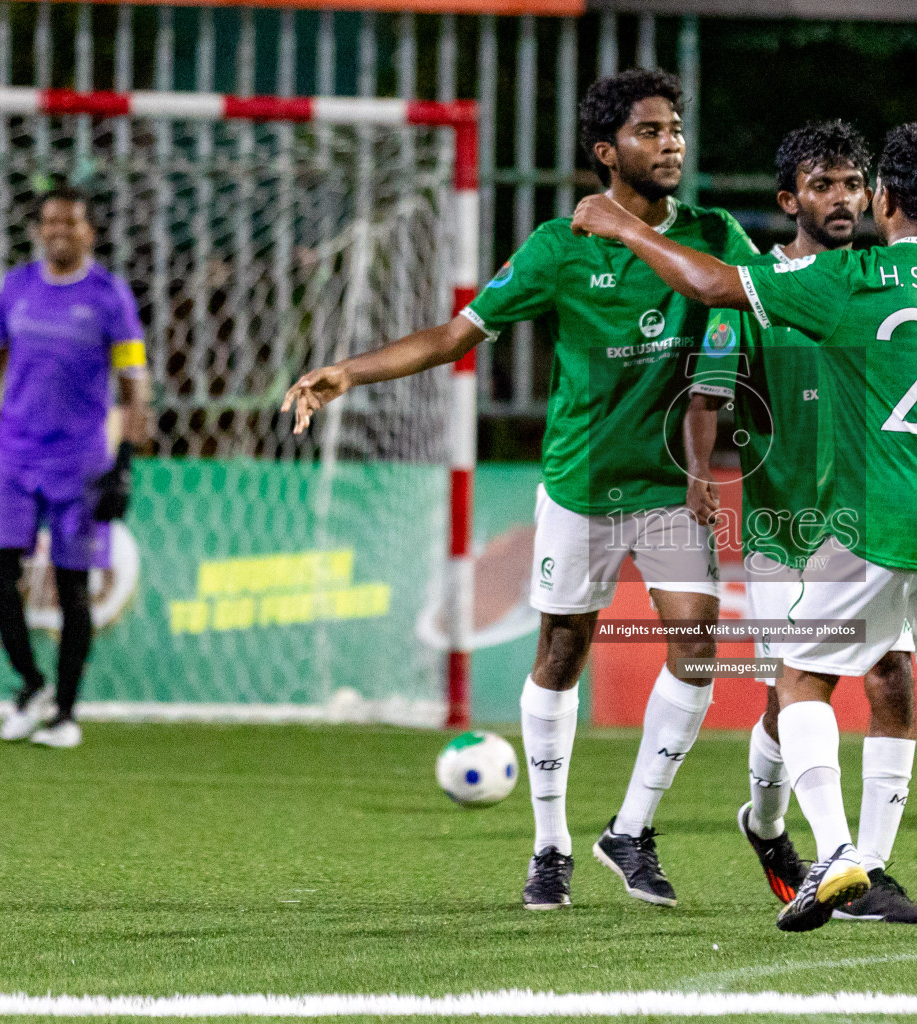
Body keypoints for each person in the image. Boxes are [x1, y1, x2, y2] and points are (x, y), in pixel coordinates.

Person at [574, 123, 917, 939]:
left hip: (876, 516)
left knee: (802, 678)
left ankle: (837, 851)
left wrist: (622, 226)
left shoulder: (853, 278)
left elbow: (716, 286)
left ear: (884, 200)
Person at [283, 70, 759, 912]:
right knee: (562, 653)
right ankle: (549, 847)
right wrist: (347, 374)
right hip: (580, 487)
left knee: (697, 649)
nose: (672, 143)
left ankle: (632, 830)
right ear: (607, 152)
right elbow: (454, 335)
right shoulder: (555, 249)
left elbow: (748, 295)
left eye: (676, 128)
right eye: (650, 131)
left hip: (667, 489)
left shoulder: (718, 234)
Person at [0, 186, 151, 749]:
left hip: (80, 465)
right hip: (15, 459)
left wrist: (125, 462)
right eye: (48, 221)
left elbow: (135, 385)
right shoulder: (16, 288)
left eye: (70, 222)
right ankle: (31, 683)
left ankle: (65, 715)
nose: (57, 230)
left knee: (73, 591)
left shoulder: (109, 297)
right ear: (38, 229)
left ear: (90, 232)